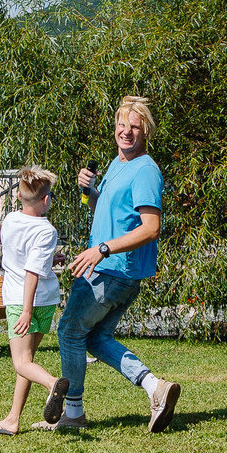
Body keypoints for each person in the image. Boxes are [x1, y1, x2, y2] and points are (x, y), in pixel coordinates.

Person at [44, 96, 180, 433]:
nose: (127, 131)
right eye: (122, 125)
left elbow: (151, 228)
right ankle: (155, 388)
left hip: (112, 268)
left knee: (70, 330)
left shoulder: (146, 170)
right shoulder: (118, 163)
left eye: (135, 126)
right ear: (115, 127)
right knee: (95, 337)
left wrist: (102, 249)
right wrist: (89, 192)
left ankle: (73, 414)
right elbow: (109, 213)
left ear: (145, 131)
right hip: (114, 268)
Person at [0, 167, 63, 435]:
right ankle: (12, 419)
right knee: (27, 362)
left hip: (21, 301)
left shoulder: (9, 221)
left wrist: (25, 310)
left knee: (21, 363)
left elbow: (29, 269)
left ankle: (52, 384)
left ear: (18, 195)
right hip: (45, 300)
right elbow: (33, 263)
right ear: (45, 200)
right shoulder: (47, 230)